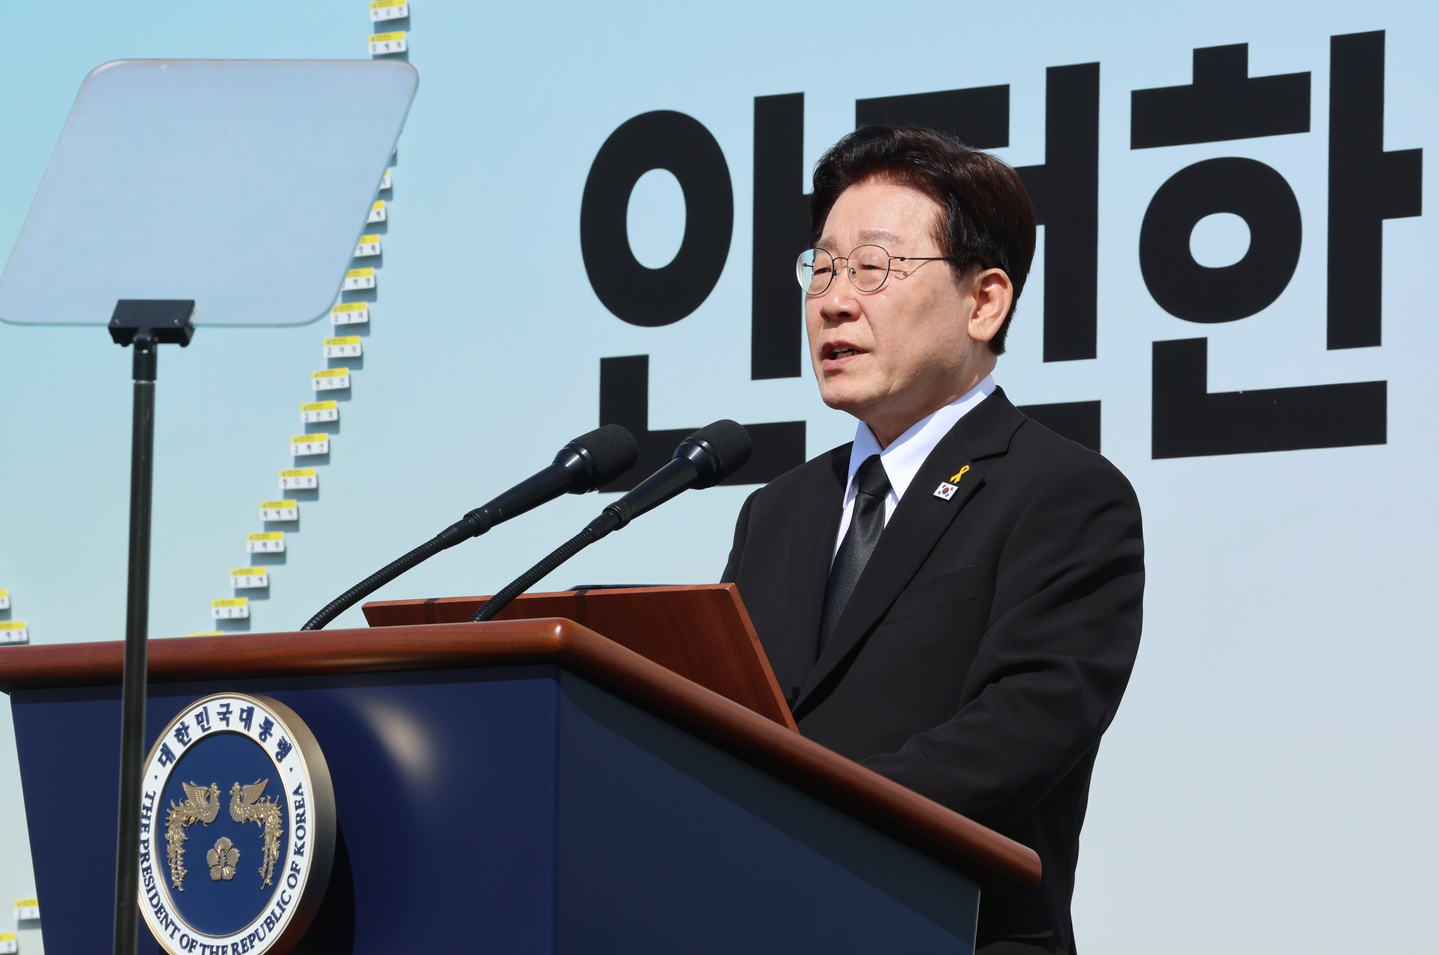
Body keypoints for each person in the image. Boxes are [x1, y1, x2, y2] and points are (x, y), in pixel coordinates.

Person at [722, 126, 1144, 955]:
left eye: (873, 267)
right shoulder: (777, 510)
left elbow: (1015, 733)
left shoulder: (1062, 494)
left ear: (983, 301)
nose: (833, 301)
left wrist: (795, 810)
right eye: (822, 268)